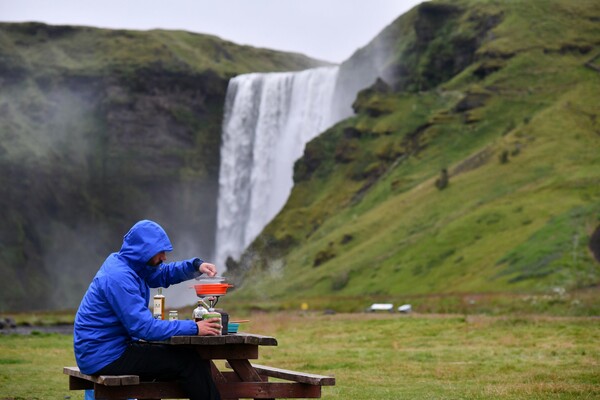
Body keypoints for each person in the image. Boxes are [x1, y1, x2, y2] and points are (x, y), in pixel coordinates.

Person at [74, 219, 222, 400]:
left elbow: (164, 273)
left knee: (176, 360)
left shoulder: (130, 265)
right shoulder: (119, 278)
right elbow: (144, 328)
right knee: (188, 362)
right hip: (104, 355)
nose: (164, 257)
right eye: (160, 252)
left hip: (103, 350)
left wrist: (195, 266)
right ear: (144, 251)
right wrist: (195, 328)